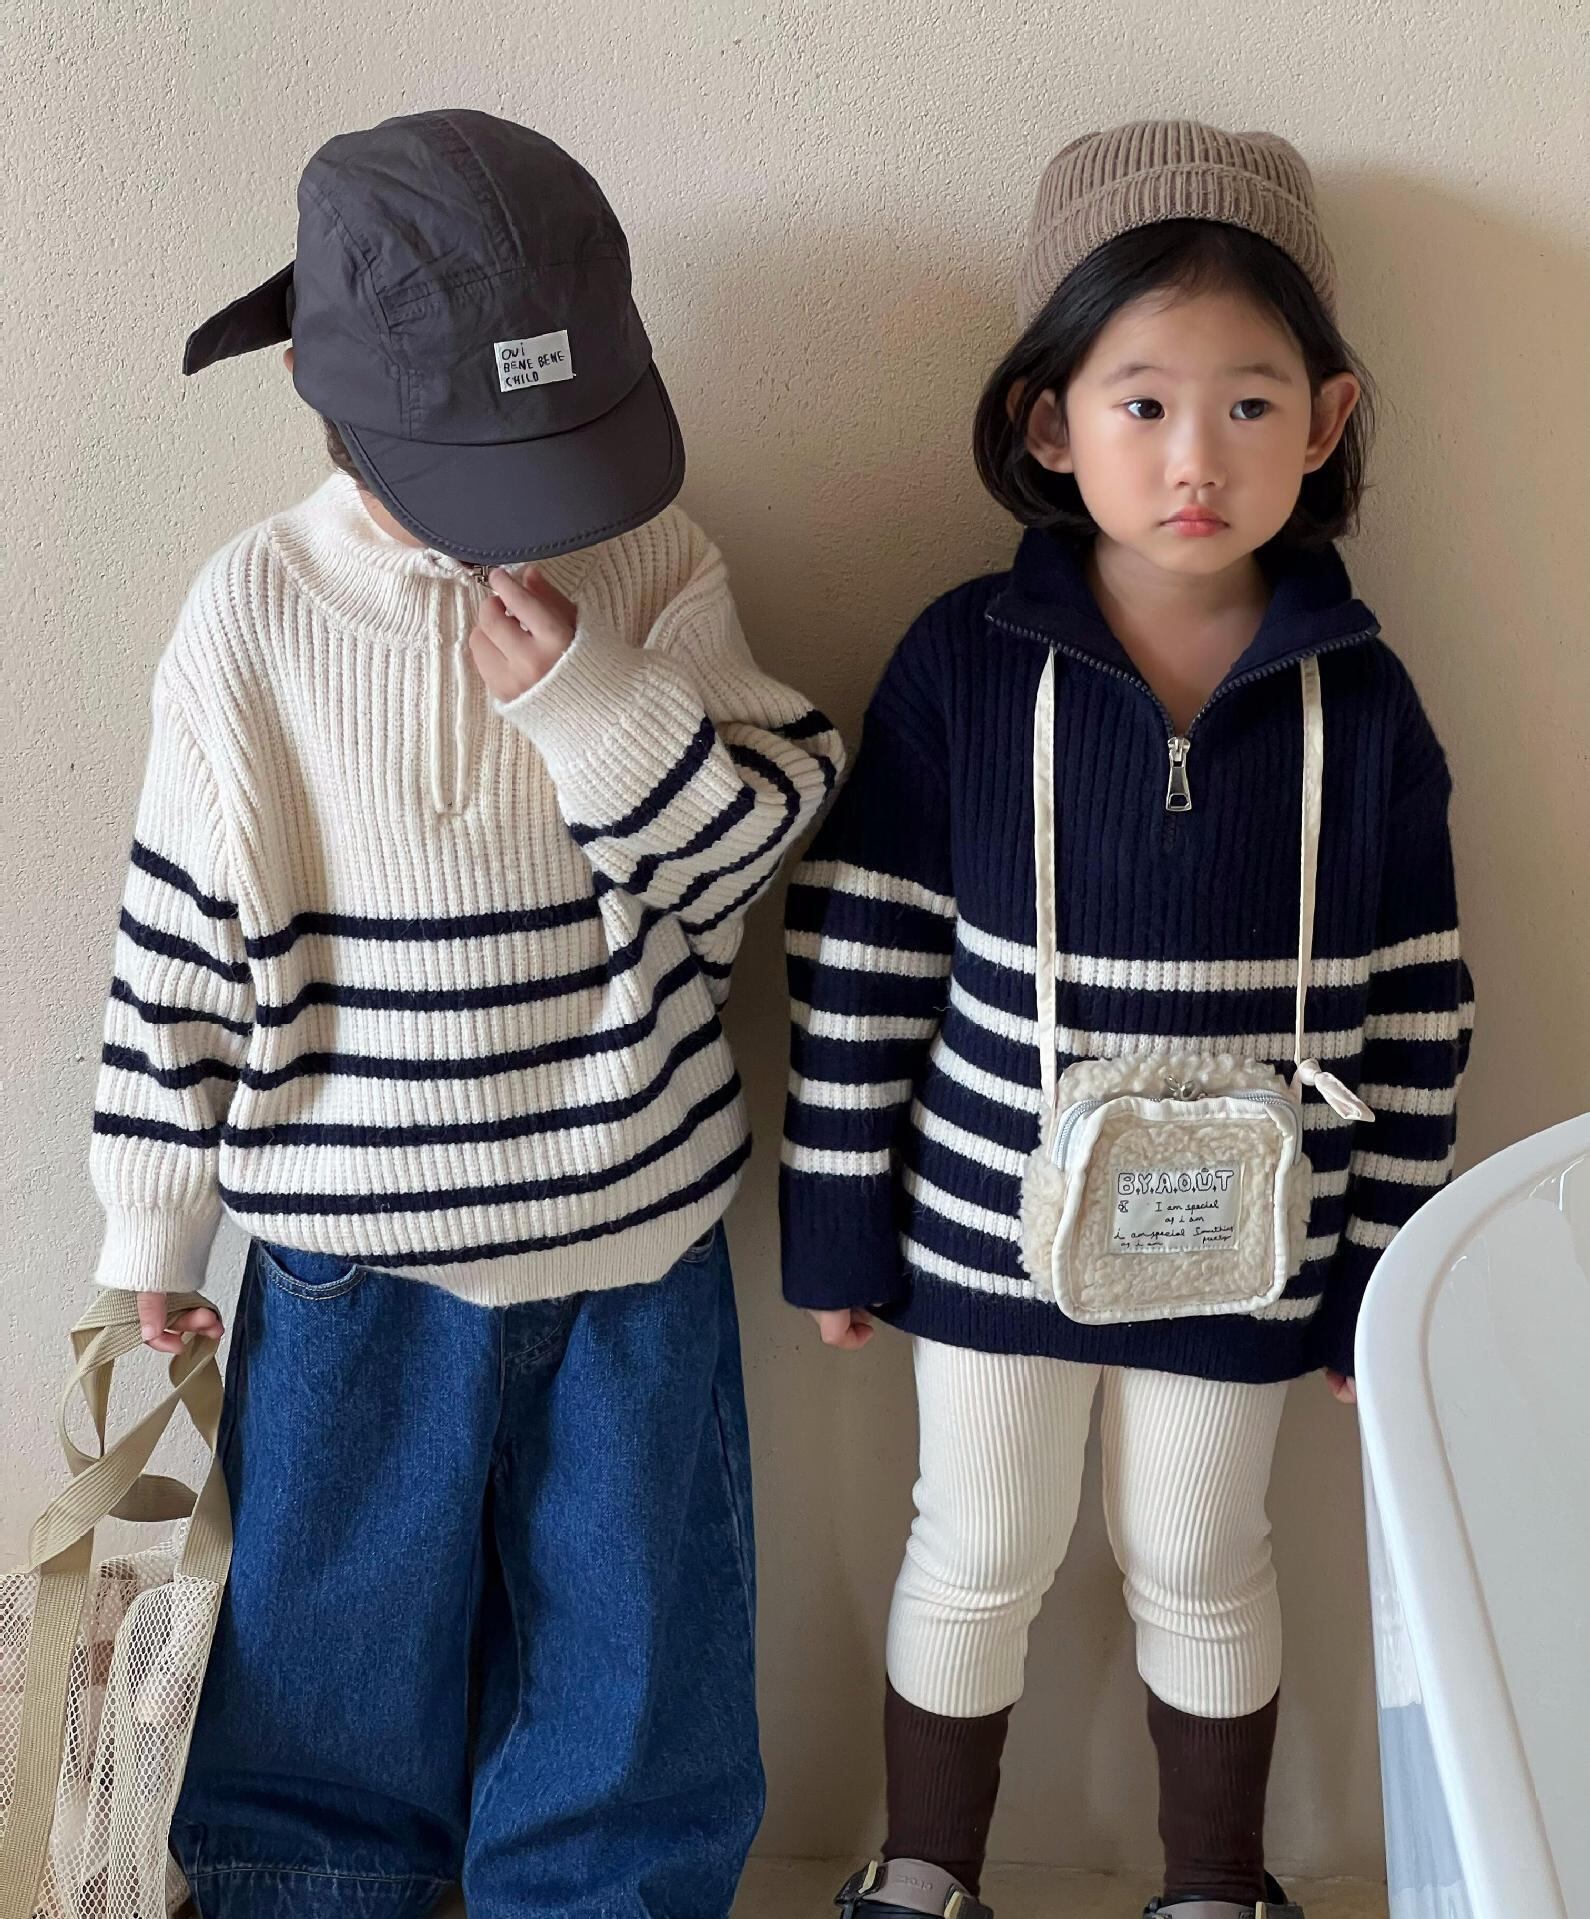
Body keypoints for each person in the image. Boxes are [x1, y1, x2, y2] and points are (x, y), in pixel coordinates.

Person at [89, 107, 843, 1919]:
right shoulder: (253, 615)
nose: (534, 508)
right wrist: (149, 1231)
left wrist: (599, 706)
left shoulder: (653, 563)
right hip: (348, 1267)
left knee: (633, 1675)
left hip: (629, 1241)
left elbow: (753, 849)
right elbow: (177, 946)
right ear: (321, 396)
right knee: (322, 1666)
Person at [781, 120, 1471, 1919]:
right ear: (1045, 421)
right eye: (1140, 401)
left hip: (1249, 1241)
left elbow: (1419, 1003)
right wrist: (837, 1216)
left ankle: (1213, 1885)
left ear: (1322, 421)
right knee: (975, 1546)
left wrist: (1379, 1269)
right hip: (980, 1227)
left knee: (1200, 1554)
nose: (1192, 457)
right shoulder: (960, 659)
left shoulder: (1361, 699)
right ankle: (923, 1872)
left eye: (1247, 404)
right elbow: (864, 951)